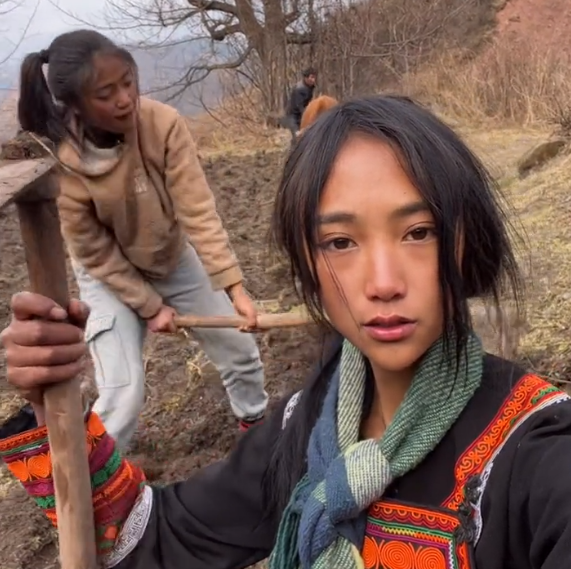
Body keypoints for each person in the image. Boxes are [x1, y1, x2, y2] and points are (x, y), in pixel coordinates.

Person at [3, 95, 571, 569]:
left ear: (468, 240)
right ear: (308, 267)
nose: (383, 283)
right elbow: (152, 537)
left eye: (418, 232)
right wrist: (57, 402)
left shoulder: (536, 451)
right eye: (340, 243)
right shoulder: (309, 422)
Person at [15, 29, 268, 446]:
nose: (124, 99)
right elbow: (94, 252)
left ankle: (255, 428)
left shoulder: (163, 124)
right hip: (108, 276)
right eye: (105, 93)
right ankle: (96, 479)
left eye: (128, 82)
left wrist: (234, 287)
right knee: (122, 391)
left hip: (170, 255)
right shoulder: (66, 162)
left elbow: (197, 209)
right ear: (75, 104)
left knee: (239, 350)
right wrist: (150, 307)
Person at [283, 67, 317, 145]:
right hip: (293, 116)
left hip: (301, 115)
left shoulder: (310, 87)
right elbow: (300, 106)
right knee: (297, 135)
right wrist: (308, 116)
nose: (313, 80)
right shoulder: (299, 89)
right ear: (306, 78)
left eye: (314, 77)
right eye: (311, 77)